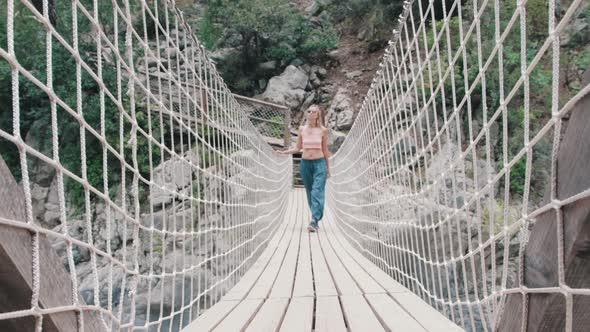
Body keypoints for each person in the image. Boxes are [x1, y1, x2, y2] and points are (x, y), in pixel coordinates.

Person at [277, 104, 330, 232]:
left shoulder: (323, 130)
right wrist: (285, 152)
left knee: (317, 191)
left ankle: (314, 221)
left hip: (320, 164)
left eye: (314, 111)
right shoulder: (302, 129)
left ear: (318, 115)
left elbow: (325, 150)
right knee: (310, 192)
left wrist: (328, 168)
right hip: (305, 164)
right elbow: (297, 148)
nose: (311, 113)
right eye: (309, 111)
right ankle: (315, 216)